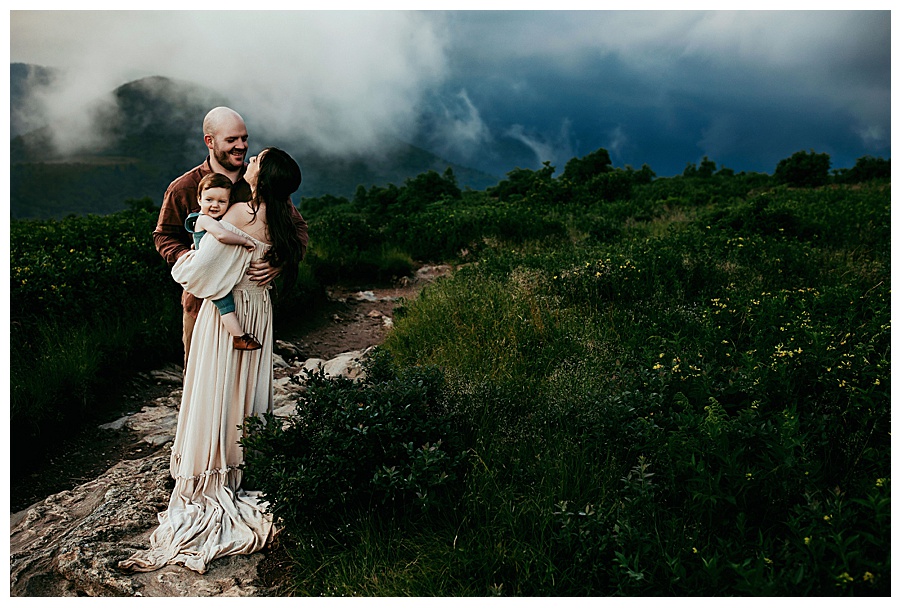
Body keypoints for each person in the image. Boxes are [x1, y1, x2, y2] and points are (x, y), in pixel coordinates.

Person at [119, 147, 307, 574]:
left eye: (256, 158)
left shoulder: (240, 211)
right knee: (244, 393)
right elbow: (292, 243)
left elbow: (200, 272)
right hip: (260, 309)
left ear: (261, 175)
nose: (250, 159)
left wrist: (185, 263)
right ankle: (241, 465)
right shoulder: (279, 216)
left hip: (229, 313)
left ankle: (211, 472)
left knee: (216, 389)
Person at [153, 106, 308, 368]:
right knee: (200, 374)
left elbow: (298, 229)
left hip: (251, 304)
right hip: (201, 302)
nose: (241, 146)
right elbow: (164, 236)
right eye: (232, 140)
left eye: (244, 138)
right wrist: (192, 258)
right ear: (209, 141)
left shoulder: (264, 182)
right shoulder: (185, 187)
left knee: (245, 376)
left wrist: (280, 260)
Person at [187, 172, 262, 351]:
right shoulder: (203, 218)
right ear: (199, 199)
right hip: (210, 271)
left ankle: (239, 336)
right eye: (209, 200)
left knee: (225, 301)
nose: (215, 205)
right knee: (225, 303)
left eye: (222, 202)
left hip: (213, 267)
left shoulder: (213, 220)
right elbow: (221, 235)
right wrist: (244, 241)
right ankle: (239, 337)